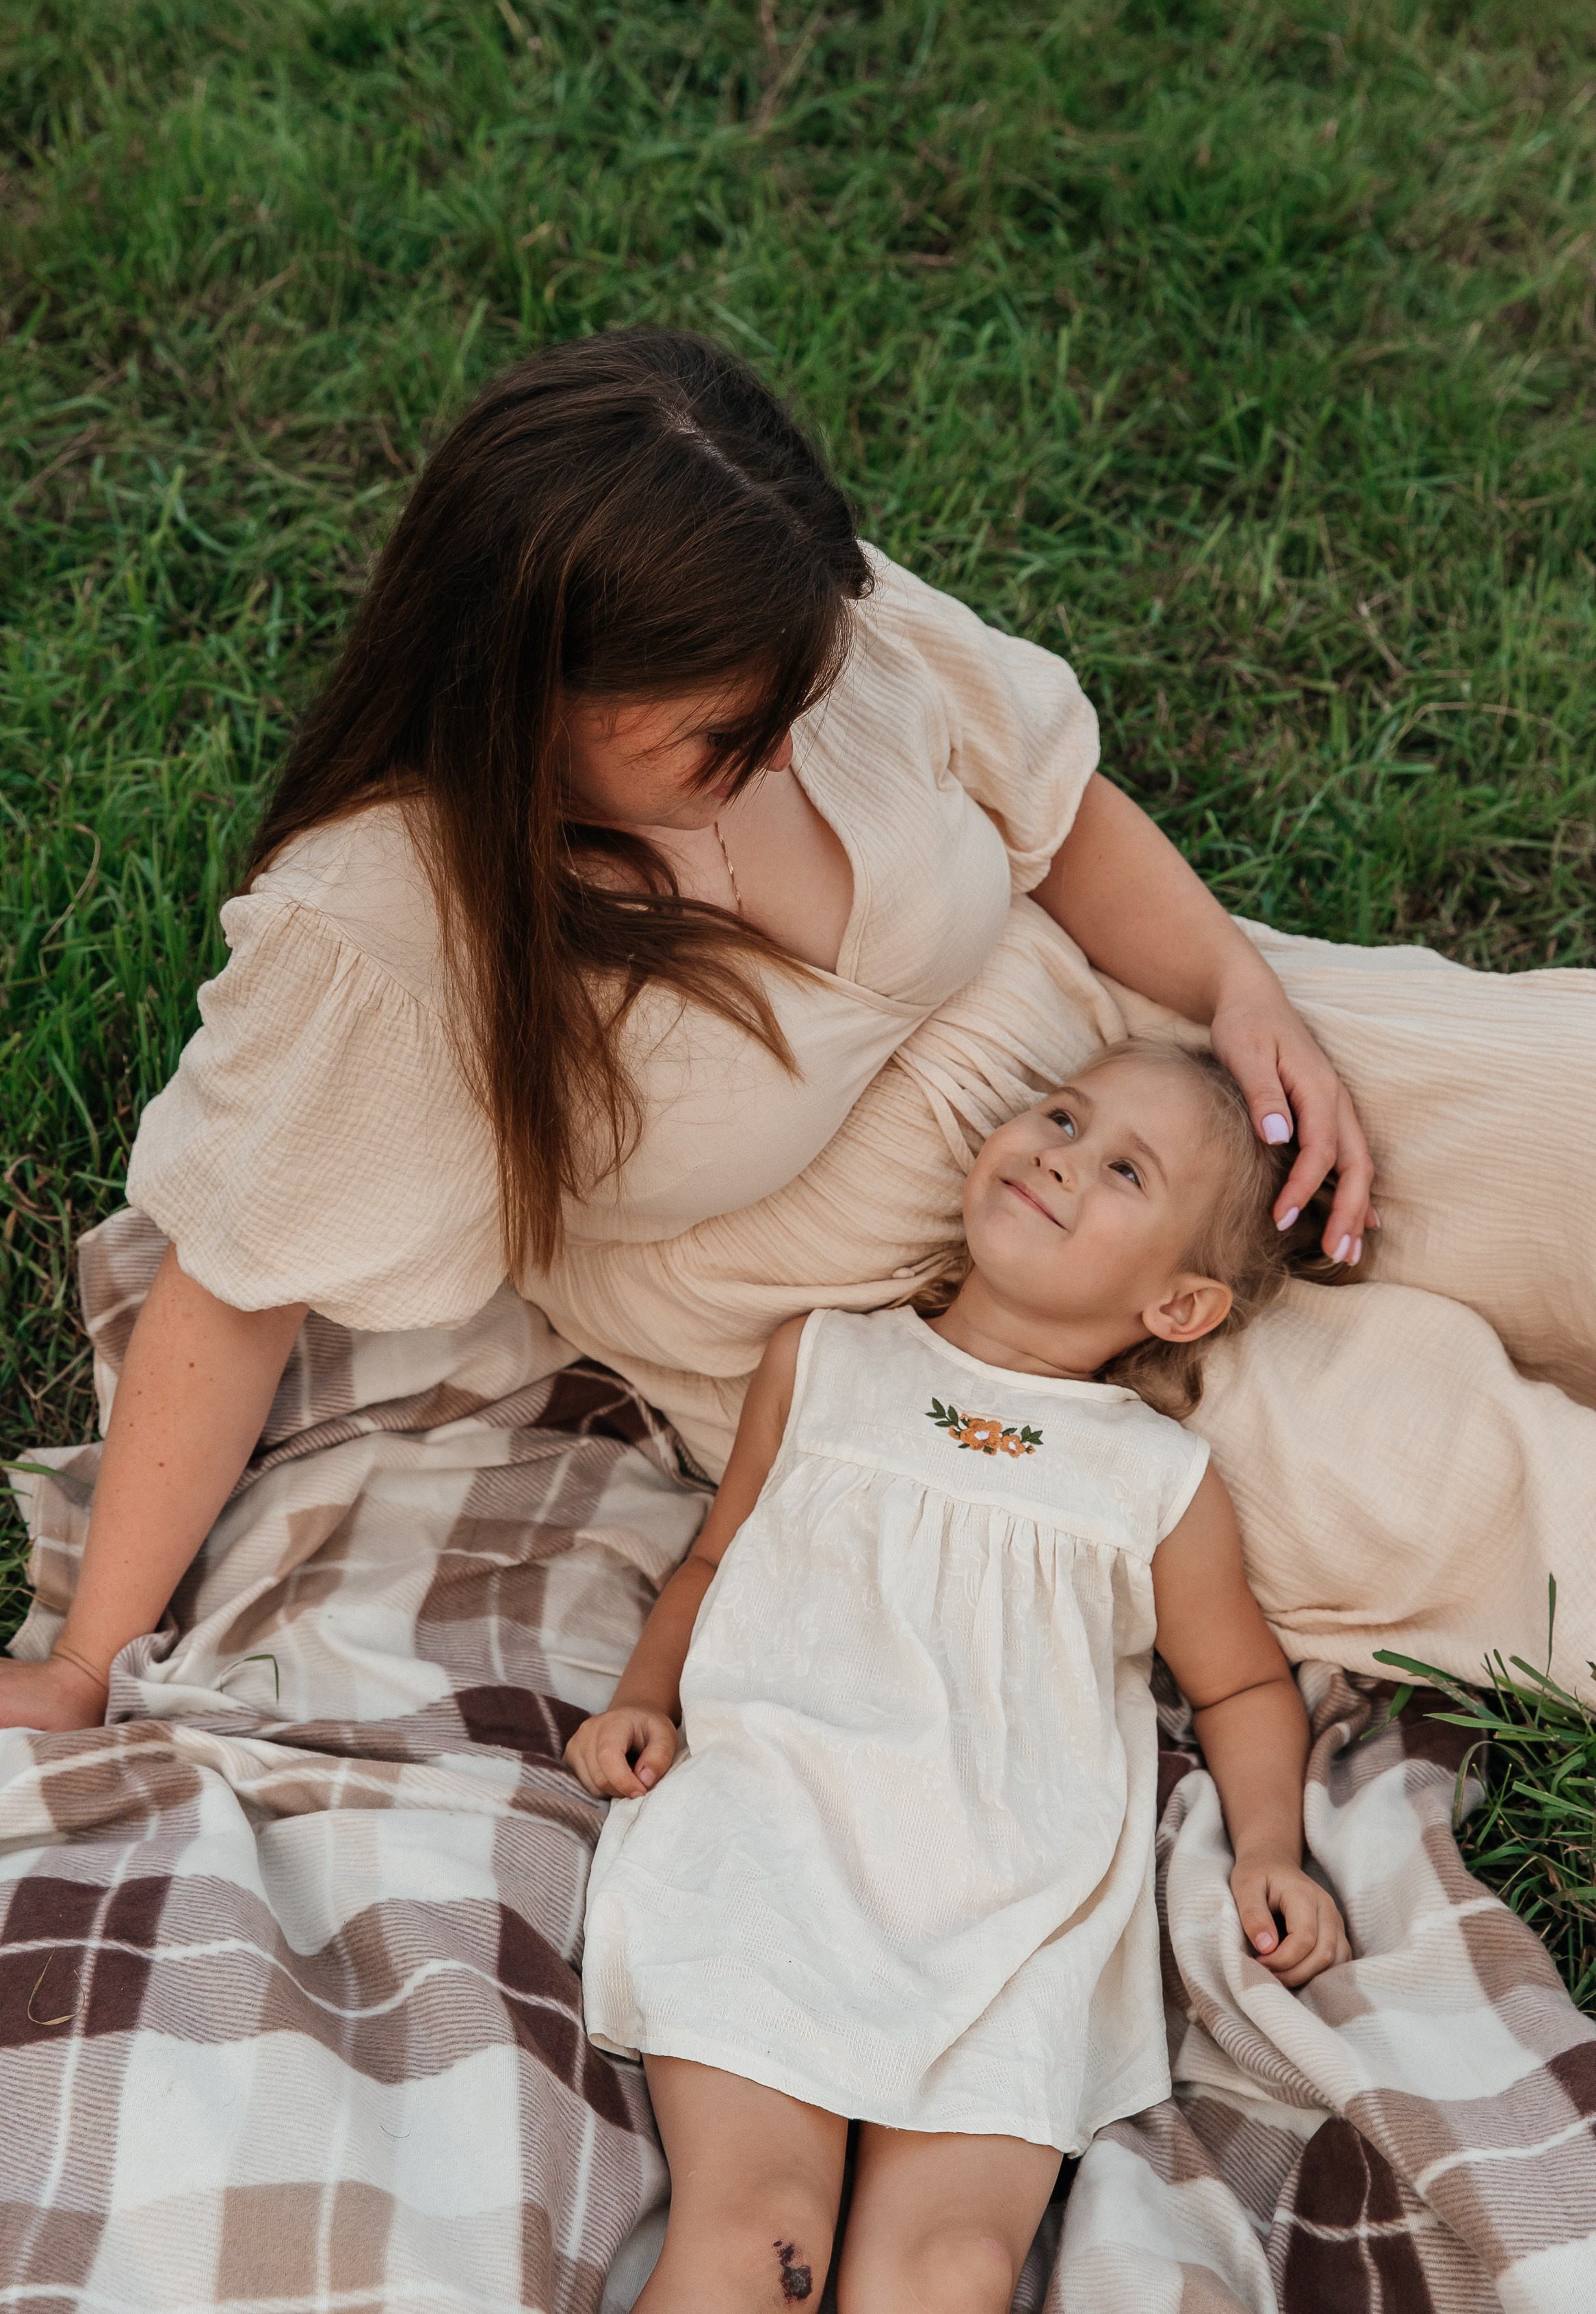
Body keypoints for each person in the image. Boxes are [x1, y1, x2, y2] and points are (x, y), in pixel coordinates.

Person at [0, 326, 1375, 1734]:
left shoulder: (767, 622)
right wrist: (87, 1663)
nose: (785, 746)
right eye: (728, 736)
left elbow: (1045, 797)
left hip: (1121, 1045)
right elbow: (234, 1284)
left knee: (1530, 1113)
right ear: (530, 695)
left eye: (798, 696)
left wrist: (1234, 984)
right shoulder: (386, 929)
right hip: (924, 1321)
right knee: (1396, 1461)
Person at [566, 1040, 1350, 2314]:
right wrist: (644, 1697)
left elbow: (1244, 1689)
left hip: (1015, 1914)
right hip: (777, 1853)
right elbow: (718, 1559)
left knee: (946, 2274)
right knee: (762, 2247)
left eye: (1122, 1170)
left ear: (1181, 1306)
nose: (1057, 1153)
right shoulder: (825, 1363)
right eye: (1059, 1112)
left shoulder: (1153, 1480)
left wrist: (1269, 1845)